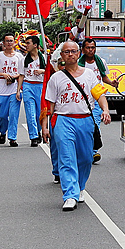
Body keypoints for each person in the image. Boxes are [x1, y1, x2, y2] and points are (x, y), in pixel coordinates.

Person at [42, 41, 111, 210]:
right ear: (62, 56)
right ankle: (70, 194)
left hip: (85, 120)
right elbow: (48, 106)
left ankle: (80, 186)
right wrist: (44, 126)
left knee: (86, 158)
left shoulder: (88, 75)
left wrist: (106, 110)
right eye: (67, 52)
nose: (70, 54)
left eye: (73, 51)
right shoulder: (56, 78)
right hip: (63, 120)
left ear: (78, 53)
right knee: (66, 158)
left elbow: (99, 95)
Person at [0, 34, 25, 146]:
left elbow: (22, 73)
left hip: (15, 88)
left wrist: (15, 81)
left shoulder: (19, 57)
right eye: (7, 41)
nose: (9, 43)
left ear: (14, 42)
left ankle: (12, 137)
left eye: (11, 40)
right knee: (2, 115)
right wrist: (4, 75)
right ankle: (2, 132)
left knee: (14, 114)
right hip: (1, 88)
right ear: (3, 43)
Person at [21, 36, 46, 147]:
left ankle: (38, 131)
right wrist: (18, 90)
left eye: (28, 43)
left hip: (40, 86)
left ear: (35, 45)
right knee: (30, 112)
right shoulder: (24, 59)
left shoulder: (44, 58)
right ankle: (33, 136)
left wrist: (42, 71)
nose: (26, 45)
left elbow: (52, 72)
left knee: (39, 114)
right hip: (28, 85)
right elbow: (22, 75)